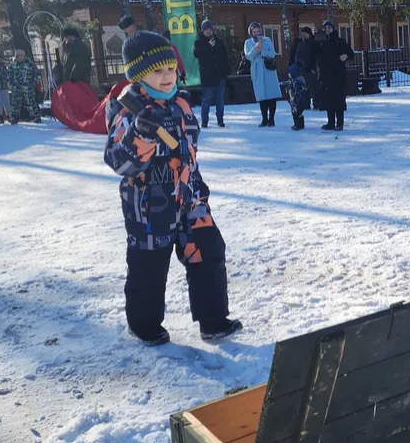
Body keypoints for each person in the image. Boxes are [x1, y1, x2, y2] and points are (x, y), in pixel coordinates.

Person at [104, 31, 241, 346]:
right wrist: (142, 134)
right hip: (151, 205)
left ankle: (213, 320)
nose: (167, 77)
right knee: (149, 267)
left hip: (190, 197)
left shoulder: (180, 102)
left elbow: (189, 152)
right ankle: (145, 324)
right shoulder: (128, 110)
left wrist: (197, 189)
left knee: (208, 252)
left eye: (170, 70)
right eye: (157, 71)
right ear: (139, 75)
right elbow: (120, 163)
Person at [314, 20, 353, 131]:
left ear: (333, 29)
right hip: (325, 76)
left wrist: (345, 56)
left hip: (338, 75)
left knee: (339, 100)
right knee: (328, 100)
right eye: (325, 28)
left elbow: (351, 53)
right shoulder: (320, 42)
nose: (327, 30)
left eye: (329, 27)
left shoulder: (339, 41)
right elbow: (313, 50)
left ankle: (339, 124)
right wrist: (313, 36)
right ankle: (330, 123)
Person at [243, 22, 280, 127]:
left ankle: (272, 119)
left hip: (268, 70)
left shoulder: (267, 40)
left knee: (271, 95)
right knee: (262, 96)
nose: (256, 33)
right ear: (251, 32)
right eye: (254, 32)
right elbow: (248, 56)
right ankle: (264, 119)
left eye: (258, 31)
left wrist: (262, 51)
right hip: (257, 70)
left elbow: (272, 54)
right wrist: (255, 49)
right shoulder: (247, 42)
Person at [193, 19, 229, 128]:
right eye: (206, 29)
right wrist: (209, 46)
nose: (208, 31)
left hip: (219, 75)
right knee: (206, 99)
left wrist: (226, 72)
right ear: (203, 30)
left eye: (210, 29)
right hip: (207, 75)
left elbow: (225, 58)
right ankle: (204, 121)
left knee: (219, 99)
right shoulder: (198, 42)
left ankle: (220, 119)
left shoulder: (219, 42)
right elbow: (197, 54)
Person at [9, 49, 42, 123]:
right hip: (17, 88)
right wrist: (10, 83)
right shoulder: (13, 65)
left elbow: (37, 73)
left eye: (22, 55)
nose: (21, 57)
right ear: (16, 56)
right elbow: (9, 75)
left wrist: (35, 82)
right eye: (19, 56)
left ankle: (35, 117)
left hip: (28, 87)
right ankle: (14, 117)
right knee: (15, 104)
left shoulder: (30, 64)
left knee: (31, 102)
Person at [293, 26, 318, 110]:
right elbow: (297, 55)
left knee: (314, 88)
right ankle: (305, 104)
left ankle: (316, 104)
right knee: (304, 89)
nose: (303, 36)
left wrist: (314, 68)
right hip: (302, 70)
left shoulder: (313, 42)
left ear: (309, 34)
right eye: (302, 34)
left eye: (305, 34)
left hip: (311, 70)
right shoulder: (300, 43)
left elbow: (315, 56)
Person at [286, 63, 310, 131]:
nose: (288, 74)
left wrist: (294, 100)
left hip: (297, 101)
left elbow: (296, 92)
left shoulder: (296, 82)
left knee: (295, 113)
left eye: (289, 73)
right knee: (299, 114)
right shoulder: (296, 81)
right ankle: (300, 125)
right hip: (299, 101)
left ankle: (297, 125)